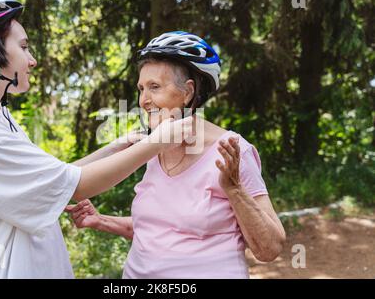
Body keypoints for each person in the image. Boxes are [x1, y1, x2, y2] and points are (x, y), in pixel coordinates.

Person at [0, 0, 192, 278]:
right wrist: (158, 140)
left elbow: (52, 179)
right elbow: (76, 186)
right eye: (24, 47)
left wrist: (116, 148)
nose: (33, 60)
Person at [66, 31, 286, 278]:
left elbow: (270, 248)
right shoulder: (152, 148)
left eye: (155, 87)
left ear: (188, 92)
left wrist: (234, 190)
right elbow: (162, 229)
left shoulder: (232, 150)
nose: (144, 100)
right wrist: (101, 221)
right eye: (141, 89)